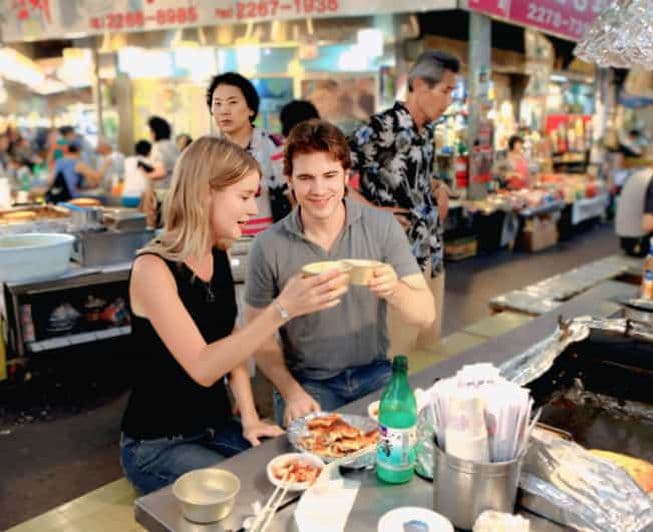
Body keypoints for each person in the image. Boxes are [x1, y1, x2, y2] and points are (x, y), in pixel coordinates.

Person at [120, 136, 346, 494]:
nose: (254, 209)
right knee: (251, 491)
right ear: (204, 193)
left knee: (298, 472)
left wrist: (251, 419)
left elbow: (232, 341)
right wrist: (282, 309)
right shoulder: (153, 268)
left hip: (216, 426)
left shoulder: (217, 255)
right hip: (157, 445)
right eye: (244, 197)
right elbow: (205, 367)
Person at [245, 120, 436, 426]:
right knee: (313, 465)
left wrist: (393, 289)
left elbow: (425, 315)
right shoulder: (267, 245)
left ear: (347, 176)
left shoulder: (381, 227)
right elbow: (257, 336)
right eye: (306, 177)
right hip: (307, 381)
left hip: (374, 372)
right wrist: (291, 392)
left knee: (399, 447)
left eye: (330, 175)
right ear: (289, 179)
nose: (319, 190)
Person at [349, 50, 457, 356]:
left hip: (431, 251)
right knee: (397, 351)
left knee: (429, 344)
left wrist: (438, 185)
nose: (448, 101)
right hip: (395, 258)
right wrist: (371, 211)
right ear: (421, 85)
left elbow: (416, 173)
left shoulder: (428, 131)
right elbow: (335, 172)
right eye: (445, 91)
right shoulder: (384, 127)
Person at [207, 72, 289, 229]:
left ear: (251, 109)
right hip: (221, 241)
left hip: (265, 239)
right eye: (217, 103)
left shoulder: (272, 146)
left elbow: (292, 197)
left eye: (232, 102)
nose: (224, 110)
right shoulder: (208, 151)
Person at [143, 116, 180, 187]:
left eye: (150, 131)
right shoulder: (173, 146)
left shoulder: (157, 147)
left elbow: (161, 172)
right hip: (175, 187)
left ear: (154, 132)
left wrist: (145, 175)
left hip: (162, 189)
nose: (150, 134)